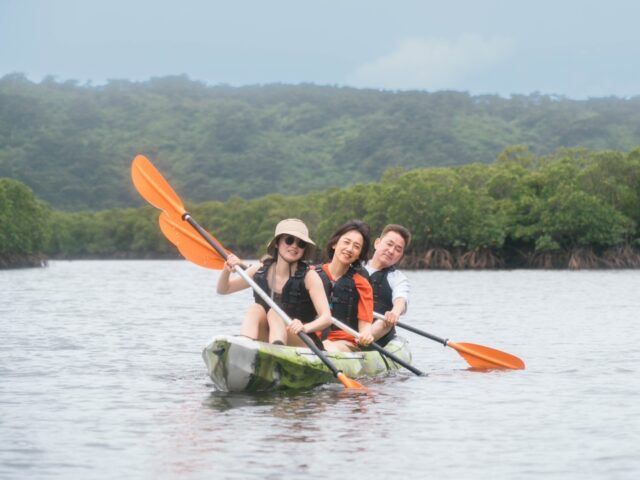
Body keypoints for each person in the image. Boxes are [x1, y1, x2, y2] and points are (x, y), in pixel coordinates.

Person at [216, 219, 332, 348]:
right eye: (289, 240)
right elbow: (223, 289)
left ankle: (277, 352)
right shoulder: (260, 269)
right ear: (277, 243)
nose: (294, 246)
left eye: (301, 243)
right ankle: (244, 346)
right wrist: (227, 270)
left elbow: (326, 318)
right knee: (255, 309)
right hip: (268, 337)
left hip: (302, 341)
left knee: (274, 312)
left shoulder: (310, 276)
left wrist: (305, 327)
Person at [316, 220, 375, 352]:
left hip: (343, 343)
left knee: (327, 346)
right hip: (309, 337)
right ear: (334, 244)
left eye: (356, 246)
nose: (349, 249)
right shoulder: (311, 274)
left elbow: (365, 325)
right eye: (346, 242)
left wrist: (366, 334)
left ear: (359, 254)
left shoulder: (362, 284)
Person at [365, 224, 411, 347]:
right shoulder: (355, 269)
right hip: (347, 328)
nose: (391, 251)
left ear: (400, 256)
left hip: (377, 336)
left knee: (384, 323)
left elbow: (400, 300)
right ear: (377, 243)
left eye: (398, 249)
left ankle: (355, 345)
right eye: (389, 244)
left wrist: (395, 312)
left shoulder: (397, 278)